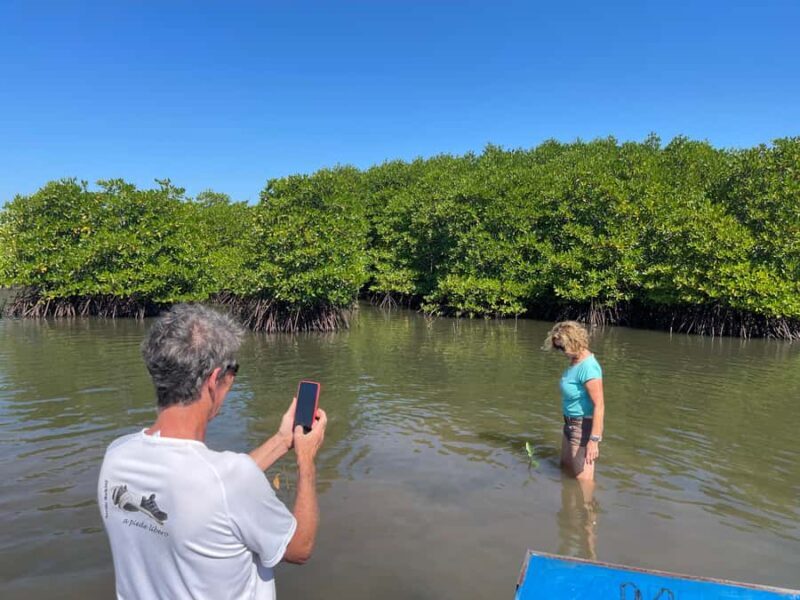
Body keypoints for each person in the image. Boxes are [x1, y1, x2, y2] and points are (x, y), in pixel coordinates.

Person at [97, 304, 327, 600]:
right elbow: (299, 548)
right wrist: (306, 461)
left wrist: (282, 441)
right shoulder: (230, 480)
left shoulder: (117, 456)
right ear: (213, 380)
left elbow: (211, 491)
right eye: (232, 373)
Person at [544, 320, 604, 481]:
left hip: (582, 426)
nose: (562, 352)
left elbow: (599, 405)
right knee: (566, 470)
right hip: (569, 423)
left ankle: (589, 499)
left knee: (583, 481)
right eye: (559, 348)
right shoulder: (575, 361)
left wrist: (594, 441)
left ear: (574, 342)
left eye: (563, 347)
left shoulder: (588, 367)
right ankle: (567, 498)